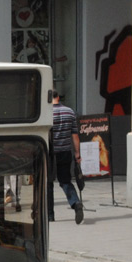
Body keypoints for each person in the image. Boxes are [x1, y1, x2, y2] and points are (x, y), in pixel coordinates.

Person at [49, 90, 83, 224]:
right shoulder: (69, 111)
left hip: (50, 153)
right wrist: (77, 153)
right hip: (65, 152)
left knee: (48, 184)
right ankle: (75, 203)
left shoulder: (47, 113)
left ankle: (50, 215)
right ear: (58, 97)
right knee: (65, 181)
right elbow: (75, 135)